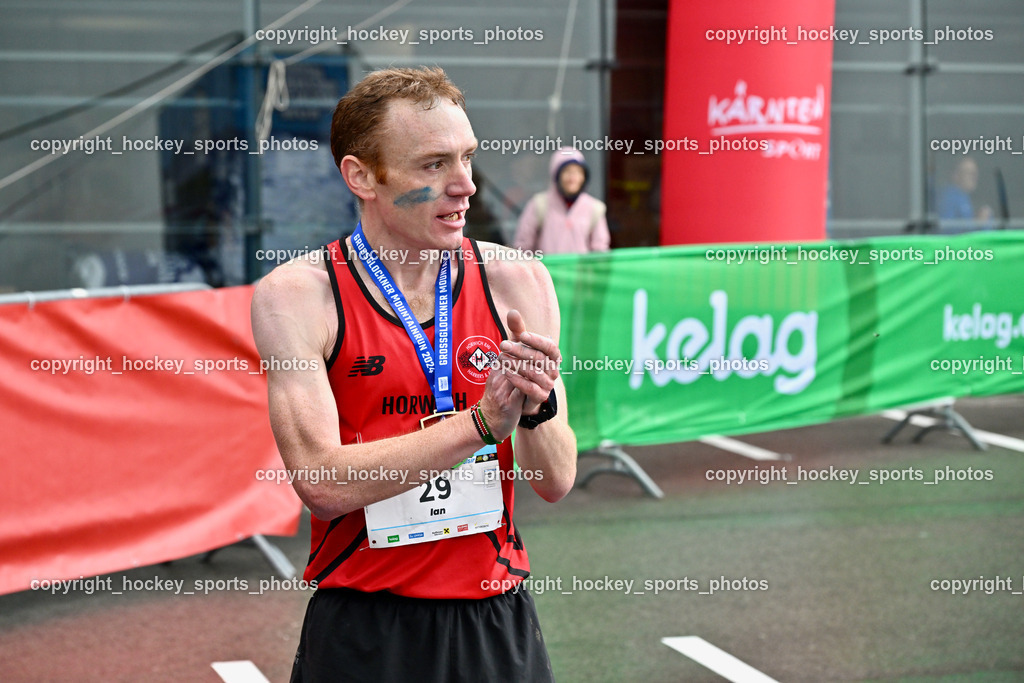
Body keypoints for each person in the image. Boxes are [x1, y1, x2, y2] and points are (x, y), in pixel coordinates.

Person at [250, 66, 577, 682]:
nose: (466, 186)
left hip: (494, 620)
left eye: (468, 158)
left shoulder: (517, 280)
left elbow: (556, 478)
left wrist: (534, 407)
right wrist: (480, 424)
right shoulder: (298, 297)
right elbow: (321, 481)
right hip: (364, 628)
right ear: (361, 177)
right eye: (434, 166)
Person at [514, 146, 611, 254]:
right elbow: (523, 246)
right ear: (556, 176)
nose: (573, 177)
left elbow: (600, 250)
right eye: (567, 171)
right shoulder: (539, 204)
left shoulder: (595, 208)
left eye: (578, 172)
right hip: (546, 270)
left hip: (581, 271)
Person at [936, 157, 993, 230]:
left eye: (975, 173)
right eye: (969, 173)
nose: (974, 177)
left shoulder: (965, 197)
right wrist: (977, 223)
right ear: (956, 175)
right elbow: (946, 230)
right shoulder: (948, 198)